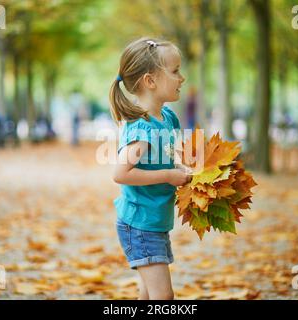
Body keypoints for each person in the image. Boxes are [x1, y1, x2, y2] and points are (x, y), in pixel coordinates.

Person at [109, 37, 191, 300]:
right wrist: (168, 176)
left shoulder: (167, 118)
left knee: (148, 295)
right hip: (139, 224)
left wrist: (182, 170)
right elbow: (121, 173)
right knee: (163, 298)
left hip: (154, 222)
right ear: (150, 81)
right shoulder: (141, 128)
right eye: (176, 71)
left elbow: (166, 158)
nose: (183, 77)